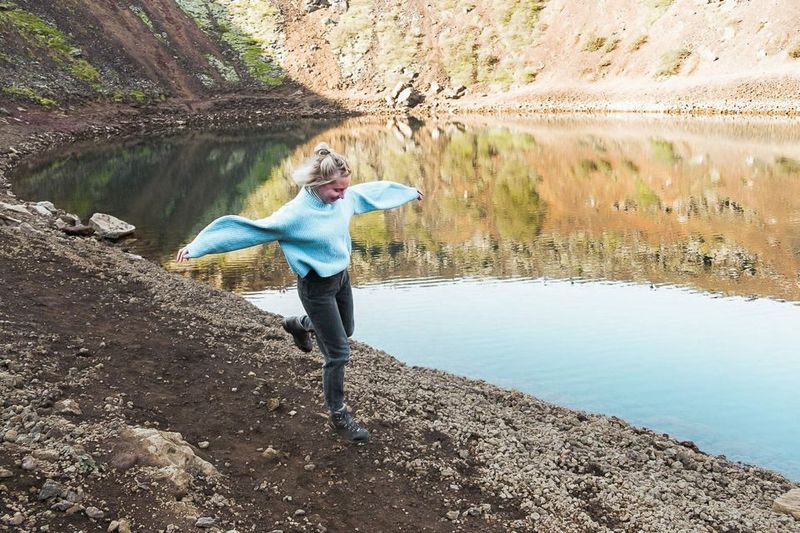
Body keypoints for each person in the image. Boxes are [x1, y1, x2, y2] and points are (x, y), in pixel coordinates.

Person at [176, 142, 423, 442]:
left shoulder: (344, 199)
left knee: (347, 330)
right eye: (336, 191)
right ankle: (339, 415)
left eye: (345, 189)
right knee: (338, 353)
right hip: (316, 288)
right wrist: (198, 248)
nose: (343, 196)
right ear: (318, 185)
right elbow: (249, 231)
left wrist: (407, 192)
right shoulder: (293, 216)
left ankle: (298, 325)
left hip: (340, 279)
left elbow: (371, 194)